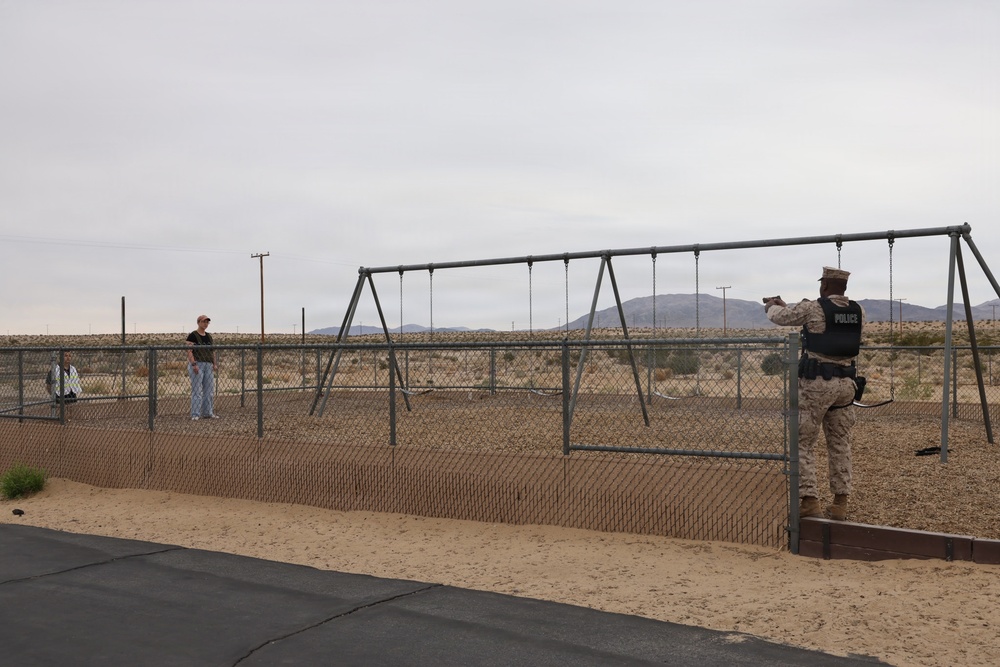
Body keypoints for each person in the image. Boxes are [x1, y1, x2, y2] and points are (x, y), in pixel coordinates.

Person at [764, 267, 865, 521]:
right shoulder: (858, 311)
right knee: (840, 443)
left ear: (824, 286)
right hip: (846, 385)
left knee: (803, 441)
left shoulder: (813, 308)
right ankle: (840, 503)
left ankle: (809, 500)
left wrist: (772, 307)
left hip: (817, 384)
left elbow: (782, 317)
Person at [186, 315, 218, 420]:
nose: (206, 324)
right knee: (197, 390)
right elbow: (189, 351)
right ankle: (195, 414)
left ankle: (208, 412)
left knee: (209, 390)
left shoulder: (209, 336)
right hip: (198, 364)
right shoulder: (193, 335)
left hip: (208, 364)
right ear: (199, 322)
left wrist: (214, 363)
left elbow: (212, 351)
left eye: (207, 322)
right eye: (204, 322)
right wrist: (193, 364)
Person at [46, 351, 83, 418]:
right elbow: (48, 384)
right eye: (66, 356)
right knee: (61, 413)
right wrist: (53, 394)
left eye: (69, 356)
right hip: (59, 394)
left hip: (71, 393)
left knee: (70, 411)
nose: (68, 358)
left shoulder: (73, 369)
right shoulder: (55, 370)